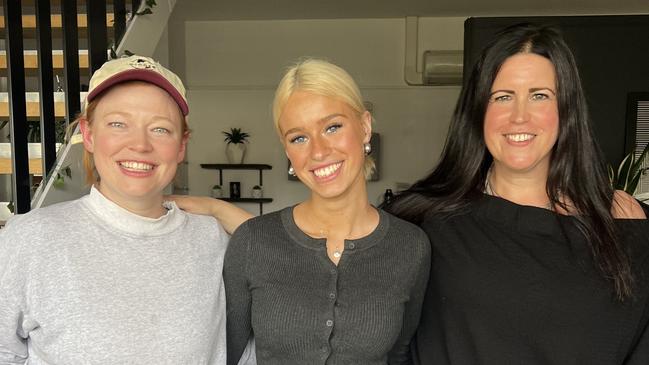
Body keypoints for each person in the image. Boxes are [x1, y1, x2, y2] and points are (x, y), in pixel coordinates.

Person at [384, 23, 649, 364]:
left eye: (539, 95)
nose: (519, 116)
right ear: (479, 110)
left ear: (566, 110)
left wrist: (629, 230)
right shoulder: (422, 223)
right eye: (503, 97)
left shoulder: (621, 226)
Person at [177, 59, 430, 365]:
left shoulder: (410, 246)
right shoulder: (254, 242)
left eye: (332, 127)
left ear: (365, 127)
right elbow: (223, 354)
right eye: (299, 138)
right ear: (288, 151)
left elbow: (401, 355)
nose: (318, 152)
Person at [0, 55, 243, 364]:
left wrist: (219, 210)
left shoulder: (212, 239)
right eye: (118, 124)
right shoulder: (31, 238)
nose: (140, 144)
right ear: (88, 135)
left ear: (181, 145)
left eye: (160, 129)